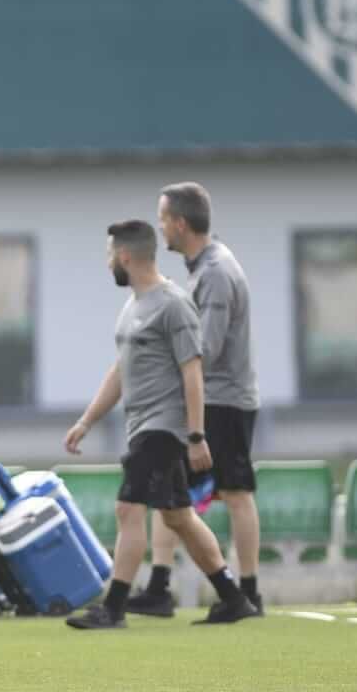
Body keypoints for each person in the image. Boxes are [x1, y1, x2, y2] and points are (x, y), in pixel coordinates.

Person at [63, 220, 256, 629]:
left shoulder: (174, 304)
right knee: (177, 517)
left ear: (126, 257)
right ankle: (233, 597)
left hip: (162, 428)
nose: (108, 262)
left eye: (110, 255)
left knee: (127, 507)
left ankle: (112, 608)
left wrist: (197, 435)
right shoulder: (133, 306)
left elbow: (193, 371)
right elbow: (121, 372)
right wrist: (87, 421)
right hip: (141, 425)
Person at [128, 183, 264, 617]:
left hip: (223, 400)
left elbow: (205, 348)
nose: (160, 227)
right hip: (209, 398)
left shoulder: (216, 273)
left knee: (235, 492)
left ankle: (248, 591)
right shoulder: (201, 268)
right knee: (171, 492)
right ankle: (160, 586)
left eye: (164, 218)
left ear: (181, 224)